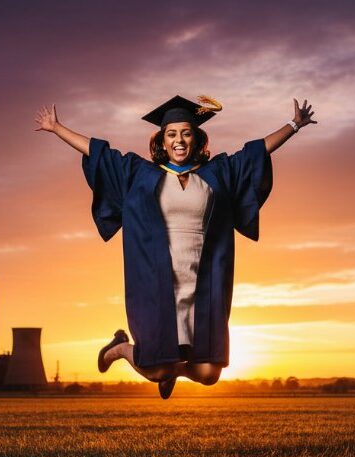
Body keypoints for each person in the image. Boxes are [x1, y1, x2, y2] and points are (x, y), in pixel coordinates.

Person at [34, 95, 316, 398]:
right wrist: (57, 128)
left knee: (208, 374)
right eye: (172, 134)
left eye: (186, 133)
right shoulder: (140, 174)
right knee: (156, 370)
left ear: (196, 138)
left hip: (204, 282)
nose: (179, 140)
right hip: (158, 282)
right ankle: (120, 349)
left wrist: (294, 125)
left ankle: (171, 370)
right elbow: (101, 155)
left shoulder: (216, 173)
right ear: (162, 141)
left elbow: (255, 153)